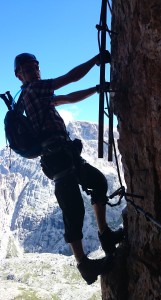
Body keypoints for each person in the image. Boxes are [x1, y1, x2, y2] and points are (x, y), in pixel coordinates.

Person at [14, 52, 124, 285]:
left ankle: (105, 236)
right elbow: (70, 78)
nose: (35, 70)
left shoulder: (36, 96)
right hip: (58, 158)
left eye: (36, 66)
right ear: (19, 75)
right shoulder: (34, 90)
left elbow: (69, 98)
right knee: (73, 208)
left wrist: (96, 89)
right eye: (28, 68)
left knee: (98, 182)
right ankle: (84, 264)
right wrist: (95, 61)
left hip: (64, 154)